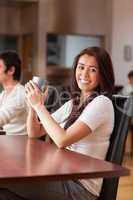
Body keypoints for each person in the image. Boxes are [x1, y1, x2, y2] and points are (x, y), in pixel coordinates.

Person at [0, 47, 115, 200]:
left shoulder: (102, 103)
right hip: (61, 177)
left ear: (103, 74)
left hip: (80, 189)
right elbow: (35, 133)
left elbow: (62, 140)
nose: (84, 74)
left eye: (93, 70)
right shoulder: (73, 103)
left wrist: (39, 106)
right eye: (81, 67)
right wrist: (33, 107)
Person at [0, 51, 27, 135]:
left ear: (11, 70)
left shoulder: (20, 94)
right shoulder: (4, 94)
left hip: (17, 144)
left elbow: (1, 118)